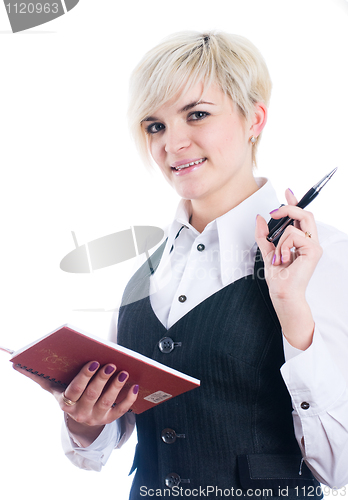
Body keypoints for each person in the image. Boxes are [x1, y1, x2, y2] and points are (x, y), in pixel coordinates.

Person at [14, 31, 348, 498]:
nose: (173, 143)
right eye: (155, 126)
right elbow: (103, 446)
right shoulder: (146, 275)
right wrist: (84, 418)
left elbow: (339, 465)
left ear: (255, 118)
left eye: (197, 115)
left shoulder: (326, 257)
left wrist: (292, 308)